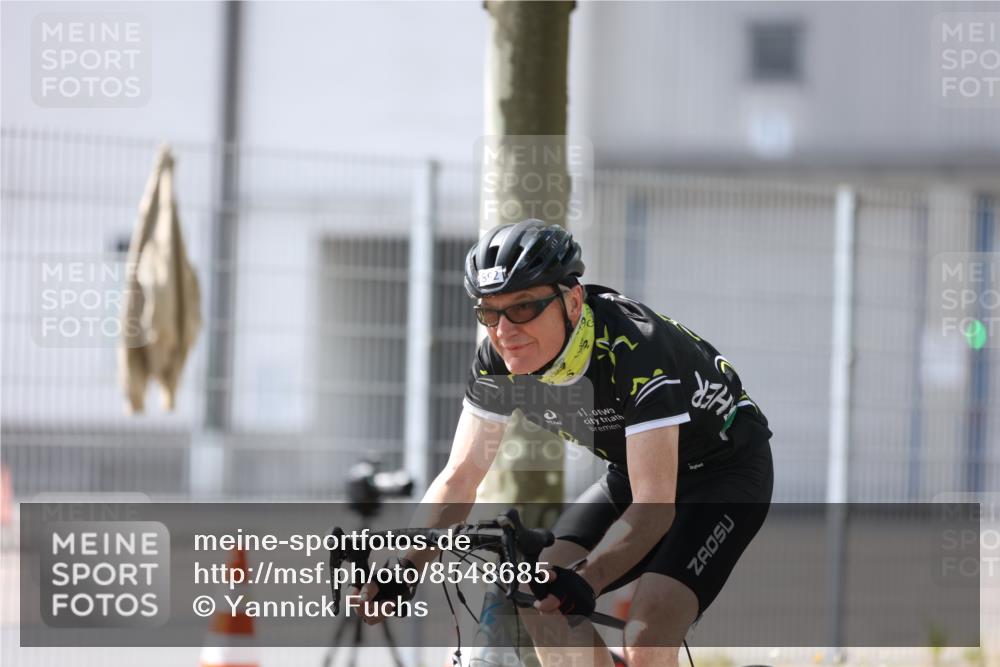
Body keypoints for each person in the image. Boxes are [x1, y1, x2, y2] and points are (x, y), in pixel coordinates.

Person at [356, 219, 774, 667]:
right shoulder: (499, 361)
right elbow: (460, 477)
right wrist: (407, 567)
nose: (504, 330)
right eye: (489, 313)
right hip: (634, 474)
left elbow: (656, 505)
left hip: (724, 474)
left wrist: (588, 580)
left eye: (523, 308)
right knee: (538, 594)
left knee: (647, 632)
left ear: (573, 301)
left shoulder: (636, 349)